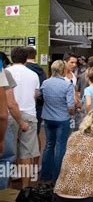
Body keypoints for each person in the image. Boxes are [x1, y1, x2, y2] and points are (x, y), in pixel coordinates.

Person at [6, 47, 40, 188]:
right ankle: (25, 187)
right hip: (29, 114)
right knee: (26, 154)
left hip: (9, 114)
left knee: (8, 153)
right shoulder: (33, 75)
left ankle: (6, 186)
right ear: (26, 59)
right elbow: (36, 94)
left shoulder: (5, 73)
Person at [40, 60, 75, 182]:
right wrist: (72, 114)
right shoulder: (67, 84)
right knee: (60, 147)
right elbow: (71, 106)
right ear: (63, 70)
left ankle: (45, 175)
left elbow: (40, 95)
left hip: (48, 118)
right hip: (62, 118)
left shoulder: (45, 83)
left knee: (49, 145)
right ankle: (57, 176)